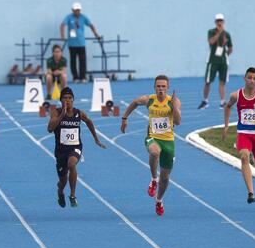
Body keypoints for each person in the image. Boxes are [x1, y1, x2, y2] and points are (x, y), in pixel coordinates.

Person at [120, 75, 182, 216]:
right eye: (158, 86)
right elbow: (135, 102)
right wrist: (124, 118)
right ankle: (154, 179)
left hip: (168, 142)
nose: (161, 89)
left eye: (163, 86)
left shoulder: (174, 101)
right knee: (154, 152)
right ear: (154, 87)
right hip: (152, 137)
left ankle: (159, 200)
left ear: (167, 88)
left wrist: (174, 107)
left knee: (165, 178)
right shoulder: (150, 99)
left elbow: (178, 122)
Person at [222, 67, 255, 204]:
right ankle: (251, 193)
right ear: (244, 79)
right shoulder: (236, 95)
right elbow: (228, 107)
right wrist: (226, 125)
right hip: (243, 134)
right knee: (244, 157)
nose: (252, 81)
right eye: (249, 78)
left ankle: (254, 156)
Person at [47, 87, 105, 208]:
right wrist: (62, 114)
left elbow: (89, 122)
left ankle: (72, 195)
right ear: (61, 100)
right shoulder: (56, 112)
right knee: (62, 181)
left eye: (70, 98)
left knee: (72, 164)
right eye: (65, 98)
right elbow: (50, 129)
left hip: (75, 147)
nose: (67, 100)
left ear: (73, 100)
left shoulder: (79, 113)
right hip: (61, 151)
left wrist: (96, 139)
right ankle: (60, 191)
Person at [198, 13, 233, 110]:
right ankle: (205, 101)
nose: (219, 22)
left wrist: (225, 55)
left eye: (221, 20)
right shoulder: (211, 32)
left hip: (223, 62)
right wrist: (219, 32)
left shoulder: (227, 34)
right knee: (208, 81)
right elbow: (211, 42)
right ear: (215, 22)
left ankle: (222, 102)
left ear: (223, 21)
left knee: (222, 82)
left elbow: (230, 48)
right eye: (218, 21)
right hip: (212, 61)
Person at [60, 2, 101, 83]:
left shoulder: (83, 17)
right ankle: (75, 77)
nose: (77, 11)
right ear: (72, 10)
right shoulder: (69, 17)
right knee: (73, 60)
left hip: (81, 43)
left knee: (82, 60)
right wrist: (63, 36)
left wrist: (96, 34)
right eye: (75, 10)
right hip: (72, 43)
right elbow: (62, 25)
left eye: (78, 10)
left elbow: (91, 25)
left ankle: (83, 77)